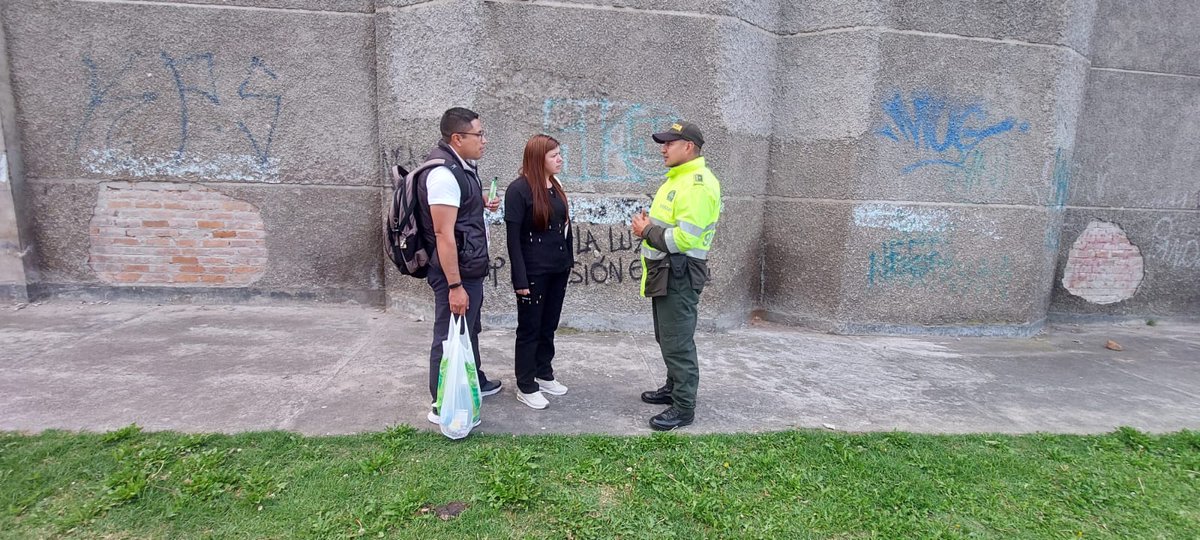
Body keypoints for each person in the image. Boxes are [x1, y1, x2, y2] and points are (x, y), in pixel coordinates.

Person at [631, 120, 722, 431]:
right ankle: (673, 388)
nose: (663, 148)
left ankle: (683, 407)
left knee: (678, 342)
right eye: (663, 142)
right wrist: (649, 228)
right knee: (667, 337)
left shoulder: (696, 184)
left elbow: (685, 239)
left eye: (670, 143)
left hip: (679, 274)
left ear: (689, 147)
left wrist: (647, 231)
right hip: (666, 272)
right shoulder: (676, 180)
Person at [418, 107, 503, 425]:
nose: (484, 140)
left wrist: (479, 200)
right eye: (478, 134)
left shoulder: (462, 166)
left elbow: (459, 209)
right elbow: (443, 233)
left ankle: (474, 380)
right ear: (458, 138)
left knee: (469, 328)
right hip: (455, 273)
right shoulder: (443, 174)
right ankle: (442, 402)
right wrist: (454, 286)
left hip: (470, 267)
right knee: (448, 333)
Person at [504, 134, 574, 409]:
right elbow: (513, 239)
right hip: (533, 273)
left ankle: (544, 372)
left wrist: (567, 262)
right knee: (530, 328)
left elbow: (565, 229)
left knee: (549, 325)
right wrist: (519, 278)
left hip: (558, 270)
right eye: (554, 155)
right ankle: (526, 383)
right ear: (537, 158)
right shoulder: (518, 190)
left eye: (559, 153)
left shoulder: (555, 185)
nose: (560, 159)